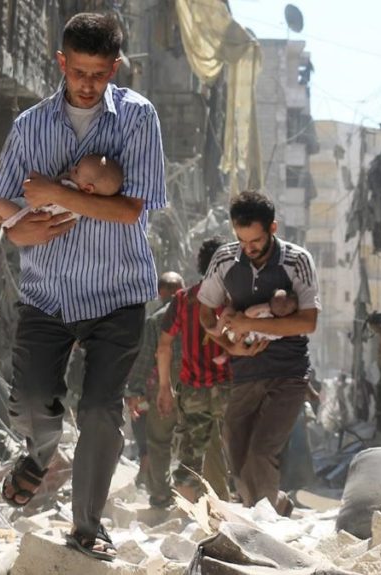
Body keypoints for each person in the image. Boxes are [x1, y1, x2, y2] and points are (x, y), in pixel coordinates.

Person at [0, 12, 166, 562]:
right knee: (32, 399)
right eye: (78, 71)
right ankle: (38, 456)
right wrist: (20, 229)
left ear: (115, 68)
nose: (88, 84)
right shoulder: (29, 126)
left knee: (100, 411)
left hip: (118, 293)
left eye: (99, 73)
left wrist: (54, 194)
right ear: (62, 63)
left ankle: (87, 525)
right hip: (48, 293)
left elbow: (132, 209)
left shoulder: (138, 118)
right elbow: (3, 211)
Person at [197, 191, 320, 517]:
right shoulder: (224, 259)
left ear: (272, 228)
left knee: (262, 451)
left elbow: (308, 322)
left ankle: (263, 525)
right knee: (235, 449)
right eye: (242, 240)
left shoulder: (297, 261)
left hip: (289, 372)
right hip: (246, 371)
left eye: (256, 241)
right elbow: (205, 312)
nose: (248, 248)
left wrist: (248, 322)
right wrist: (229, 345)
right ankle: (274, 503)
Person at [155, 237, 232, 505]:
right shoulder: (234, 300)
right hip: (229, 388)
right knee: (229, 450)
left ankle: (193, 512)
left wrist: (164, 387)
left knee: (191, 454)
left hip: (193, 389)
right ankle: (223, 505)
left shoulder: (183, 299)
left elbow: (164, 346)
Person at [124, 271, 184, 498]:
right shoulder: (197, 314)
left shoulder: (156, 319)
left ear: (160, 292)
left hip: (164, 383)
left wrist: (134, 391)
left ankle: (160, 494)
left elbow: (145, 359)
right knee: (198, 436)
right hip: (196, 382)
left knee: (159, 440)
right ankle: (199, 492)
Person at [0, 154, 124, 238]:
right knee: (1, 208)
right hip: (29, 216)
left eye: (76, 171)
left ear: (88, 188)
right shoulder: (85, 206)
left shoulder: (71, 194)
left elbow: (53, 189)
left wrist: (55, 182)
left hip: (27, 215)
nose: (72, 169)